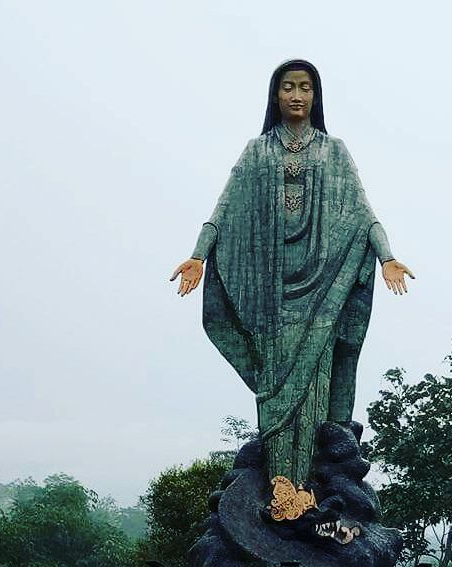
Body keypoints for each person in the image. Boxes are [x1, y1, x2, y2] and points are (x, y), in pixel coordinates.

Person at [171, 59, 414, 497]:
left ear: (316, 96)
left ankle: (308, 491)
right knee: (277, 387)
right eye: (288, 87)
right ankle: (281, 485)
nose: (297, 95)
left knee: (315, 385)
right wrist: (198, 256)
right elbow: (223, 211)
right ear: (276, 95)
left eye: (305, 87)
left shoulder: (333, 151)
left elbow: (361, 211)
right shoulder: (257, 151)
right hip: (269, 290)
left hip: (323, 285)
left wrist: (387, 257)